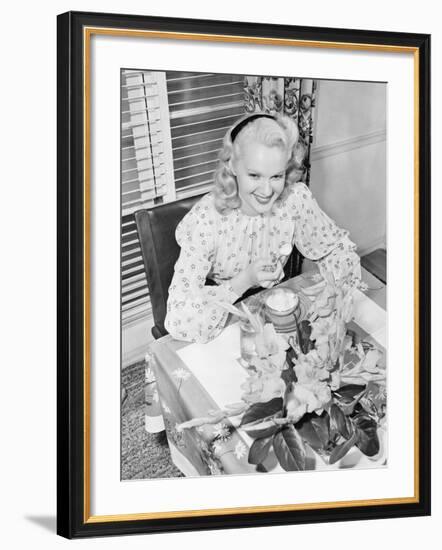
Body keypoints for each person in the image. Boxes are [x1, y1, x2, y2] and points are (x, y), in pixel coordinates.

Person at [164, 112, 361, 343]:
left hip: (278, 317)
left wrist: (334, 287)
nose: (267, 191)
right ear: (232, 165)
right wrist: (244, 280)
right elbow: (179, 319)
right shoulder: (207, 220)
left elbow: (338, 250)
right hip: (222, 322)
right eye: (255, 175)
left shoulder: (294, 199)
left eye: (276, 175)